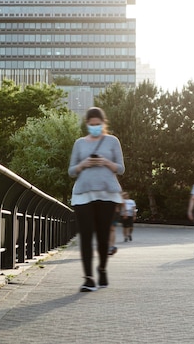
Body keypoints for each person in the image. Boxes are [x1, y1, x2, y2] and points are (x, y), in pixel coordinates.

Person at [68, 107, 125, 292]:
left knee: (102, 236)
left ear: (103, 124)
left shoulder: (112, 141)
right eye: (91, 125)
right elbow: (71, 171)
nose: (94, 127)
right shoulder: (79, 143)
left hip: (107, 194)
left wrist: (105, 162)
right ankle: (88, 278)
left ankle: (102, 269)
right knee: (85, 236)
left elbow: (121, 168)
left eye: (98, 125)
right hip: (83, 194)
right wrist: (83, 164)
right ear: (86, 124)